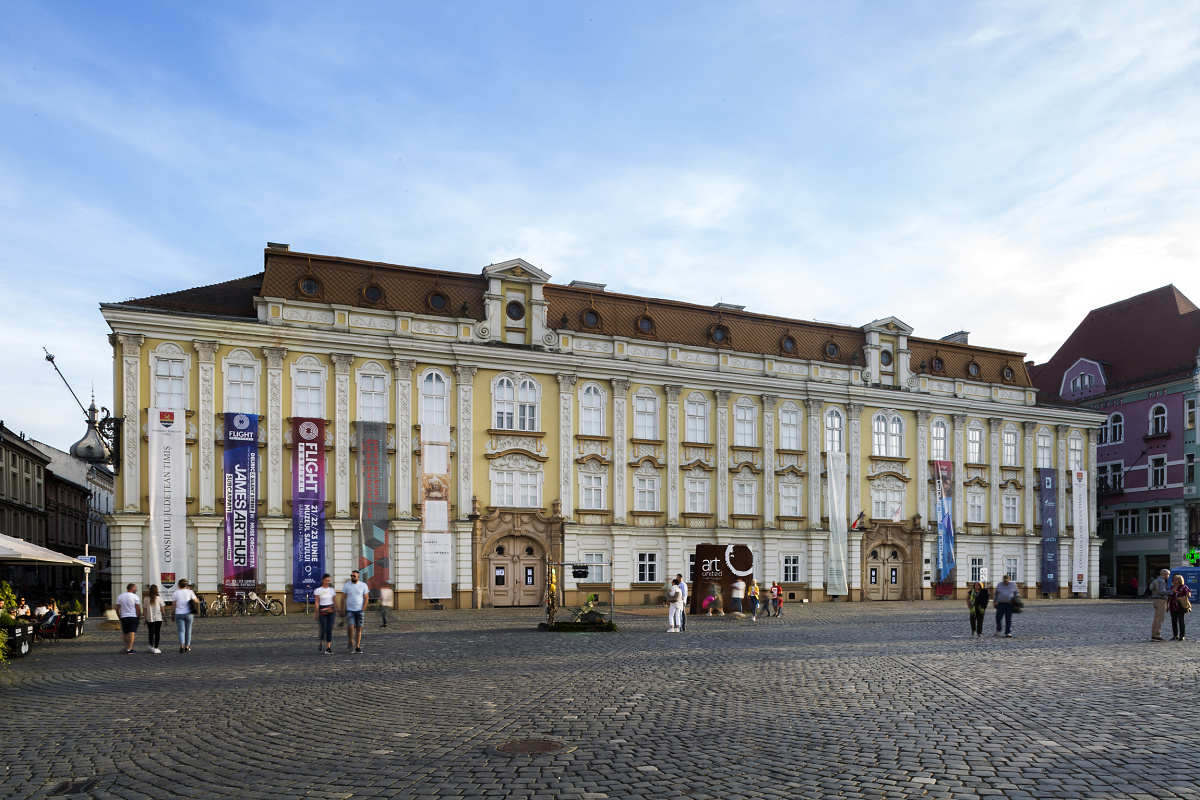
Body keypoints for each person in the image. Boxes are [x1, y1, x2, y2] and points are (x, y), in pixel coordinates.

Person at [343, 570, 369, 653]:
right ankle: (351, 641)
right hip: (350, 610)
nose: (352, 577)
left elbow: (366, 597)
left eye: (354, 576)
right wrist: (342, 609)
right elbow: (343, 598)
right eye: (351, 575)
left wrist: (363, 609)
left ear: (358, 576)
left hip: (359, 610)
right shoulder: (347, 585)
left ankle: (357, 646)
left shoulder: (363, 585)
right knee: (350, 626)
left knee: (359, 628)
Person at [171, 579, 199, 653]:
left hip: (179, 613)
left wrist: (172, 614)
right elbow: (196, 600)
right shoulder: (190, 592)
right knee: (188, 630)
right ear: (186, 585)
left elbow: (173, 605)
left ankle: (181, 646)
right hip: (189, 614)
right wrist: (190, 592)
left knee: (181, 631)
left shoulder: (176, 593)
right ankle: (187, 646)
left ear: (179, 585)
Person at [116, 583, 141, 654]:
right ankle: (129, 649)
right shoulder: (135, 597)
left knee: (125, 633)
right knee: (132, 632)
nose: (136, 589)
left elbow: (117, 608)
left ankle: (127, 647)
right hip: (133, 616)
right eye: (135, 587)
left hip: (124, 616)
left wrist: (119, 616)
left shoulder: (120, 596)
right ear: (132, 588)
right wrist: (138, 616)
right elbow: (138, 608)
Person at [314, 574, 336, 654]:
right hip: (322, 609)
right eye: (326, 580)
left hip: (330, 610)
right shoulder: (318, 590)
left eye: (329, 581)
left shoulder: (331, 590)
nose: (328, 582)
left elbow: (334, 601)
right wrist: (316, 612)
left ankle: (328, 647)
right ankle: (321, 642)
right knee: (324, 628)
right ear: (323, 580)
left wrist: (336, 609)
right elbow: (317, 602)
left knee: (329, 629)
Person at [1149, 568, 1171, 641]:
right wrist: (1171, 591)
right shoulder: (1161, 581)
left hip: (1156, 600)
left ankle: (1154, 634)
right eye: (1168, 574)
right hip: (1161, 600)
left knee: (1156, 618)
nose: (1168, 576)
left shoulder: (1156, 580)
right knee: (1160, 619)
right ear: (1165, 574)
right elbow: (1161, 592)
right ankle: (1157, 635)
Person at [143, 585, 165, 654]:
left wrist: (144, 618)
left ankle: (151, 646)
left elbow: (145, 610)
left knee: (151, 632)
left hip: (149, 618)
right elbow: (162, 609)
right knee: (157, 632)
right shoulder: (159, 598)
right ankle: (156, 647)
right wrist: (164, 616)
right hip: (158, 618)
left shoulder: (146, 599)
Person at [1169, 574, 1191, 641]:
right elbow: (1169, 596)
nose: (1174, 580)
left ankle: (1182, 636)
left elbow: (1188, 595)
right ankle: (1175, 635)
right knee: (1174, 621)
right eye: (1173, 579)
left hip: (1180, 606)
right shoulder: (1171, 588)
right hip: (1172, 606)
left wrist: (1181, 598)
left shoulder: (1183, 587)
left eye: (1176, 579)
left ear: (1179, 580)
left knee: (1181, 620)